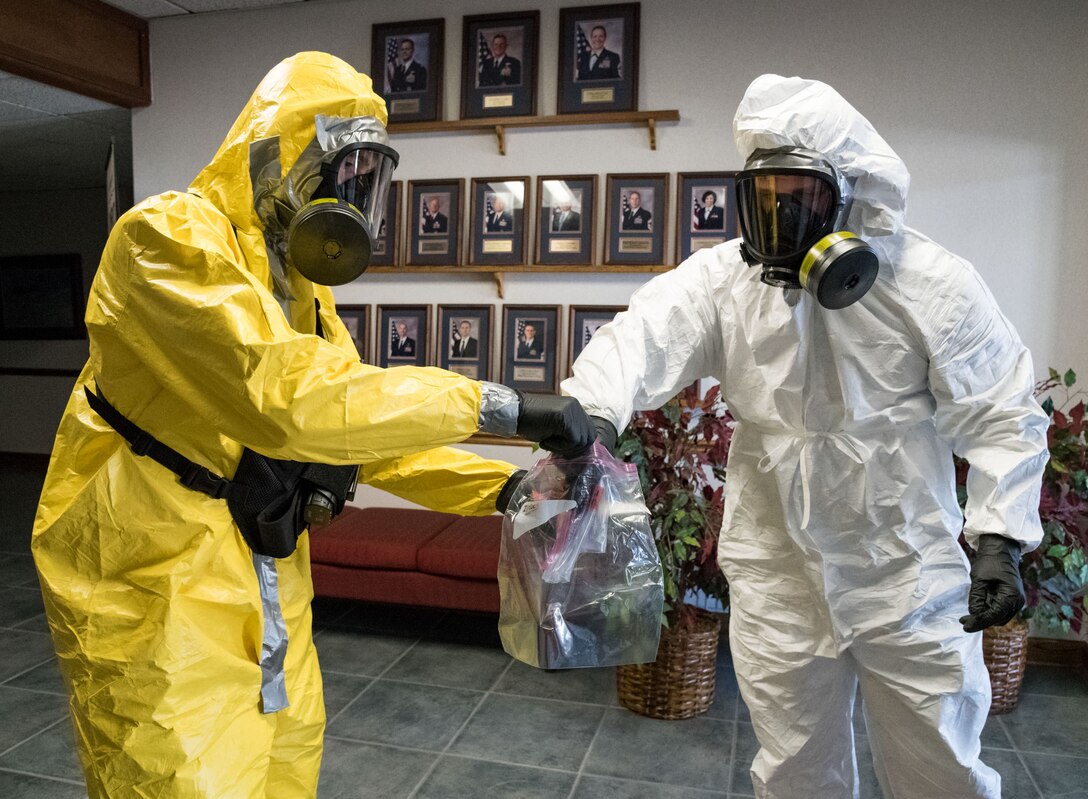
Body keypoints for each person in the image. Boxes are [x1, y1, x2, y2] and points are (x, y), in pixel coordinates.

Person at [30, 52, 596, 799]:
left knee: (288, 773)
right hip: (155, 594)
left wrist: (506, 486)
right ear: (275, 154)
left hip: (264, 586)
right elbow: (286, 399)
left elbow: (358, 433)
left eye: (368, 181)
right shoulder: (163, 240)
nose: (351, 199)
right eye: (340, 172)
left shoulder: (300, 296)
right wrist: (500, 406)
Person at [563, 74, 1048, 798]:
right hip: (778, 574)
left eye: (800, 195)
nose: (779, 216)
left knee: (941, 767)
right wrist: (591, 411)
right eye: (764, 197)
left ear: (850, 192)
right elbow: (643, 336)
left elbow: (1002, 409)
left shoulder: (931, 284)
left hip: (905, 575)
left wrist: (1002, 539)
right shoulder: (727, 282)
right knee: (796, 773)